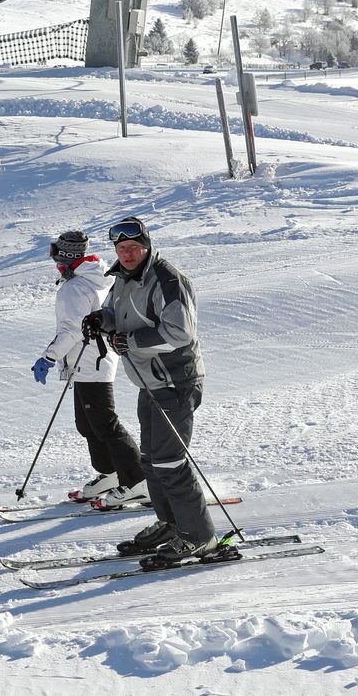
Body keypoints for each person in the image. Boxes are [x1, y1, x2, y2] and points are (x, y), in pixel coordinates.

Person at [84, 217, 216, 562]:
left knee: (170, 461)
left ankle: (200, 537)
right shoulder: (124, 279)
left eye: (133, 247)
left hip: (176, 380)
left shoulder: (167, 280)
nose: (127, 254)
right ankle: (171, 524)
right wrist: (102, 320)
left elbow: (180, 333)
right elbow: (115, 312)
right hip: (150, 382)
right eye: (121, 248)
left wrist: (130, 341)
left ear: (146, 246)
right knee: (152, 460)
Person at [30, 230, 148, 509]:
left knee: (104, 423)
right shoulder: (91, 278)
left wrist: (48, 357)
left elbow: (71, 330)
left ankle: (140, 482)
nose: (54, 258)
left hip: (91, 360)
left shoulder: (77, 287)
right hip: (89, 361)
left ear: (66, 255)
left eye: (55, 252)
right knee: (88, 424)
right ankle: (112, 474)